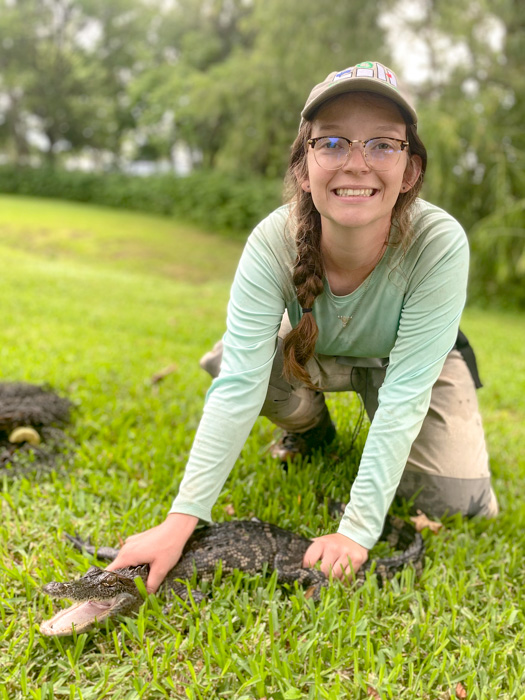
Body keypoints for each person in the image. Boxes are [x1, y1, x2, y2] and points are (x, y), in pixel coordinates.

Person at [108, 61, 498, 592]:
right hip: (322, 353)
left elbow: (408, 390)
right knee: (235, 363)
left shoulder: (440, 242)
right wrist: (181, 522)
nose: (357, 164)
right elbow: (240, 385)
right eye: (333, 142)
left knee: (458, 501)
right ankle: (311, 431)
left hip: (403, 366)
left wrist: (356, 532)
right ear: (303, 165)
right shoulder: (273, 240)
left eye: (382, 144)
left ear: (409, 169)